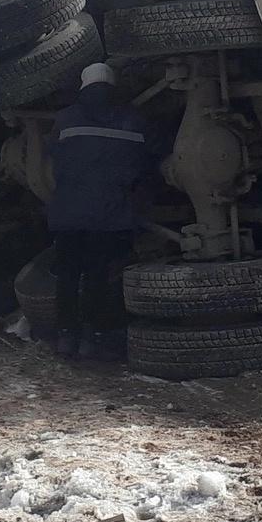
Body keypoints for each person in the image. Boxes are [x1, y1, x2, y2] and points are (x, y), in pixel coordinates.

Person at [48, 63, 158, 361]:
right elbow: (147, 163)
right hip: (110, 217)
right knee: (98, 277)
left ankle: (66, 337)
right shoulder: (131, 121)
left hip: (69, 215)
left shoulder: (65, 119)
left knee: (68, 277)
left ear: (83, 86)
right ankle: (93, 337)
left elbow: (52, 159)